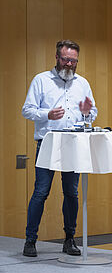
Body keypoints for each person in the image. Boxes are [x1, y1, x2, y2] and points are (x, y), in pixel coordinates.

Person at [22, 39, 97, 257]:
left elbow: (92, 114)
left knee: (71, 193)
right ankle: (30, 240)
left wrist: (87, 112)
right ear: (57, 58)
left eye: (73, 61)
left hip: (74, 144)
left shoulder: (82, 83)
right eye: (66, 60)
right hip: (48, 143)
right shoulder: (41, 80)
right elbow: (27, 110)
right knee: (41, 191)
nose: (69, 65)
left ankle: (69, 239)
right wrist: (47, 114)